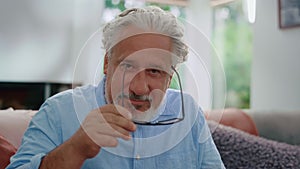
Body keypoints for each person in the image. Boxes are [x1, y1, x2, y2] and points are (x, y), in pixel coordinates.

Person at [7, 6, 225, 169]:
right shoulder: (59, 111)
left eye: (155, 71)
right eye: (128, 66)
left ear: (170, 76)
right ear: (106, 64)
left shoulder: (187, 112)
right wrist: (75, 148)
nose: (139, 88)